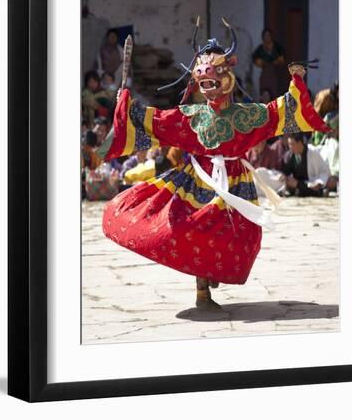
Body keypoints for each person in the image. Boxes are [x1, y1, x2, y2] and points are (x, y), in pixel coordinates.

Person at [98, 19, 330, 310]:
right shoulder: (191, 116)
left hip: (236, 184)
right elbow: (155, 122)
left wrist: (297, 81)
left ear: (227, 77)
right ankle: (202, 291)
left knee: (241, 237)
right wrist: (126, 106)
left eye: (214, 75)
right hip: (198, 180)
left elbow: (281, 112)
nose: (208, 84)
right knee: (194, 228)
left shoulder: (247, 116)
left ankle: (211, 274)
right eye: (203, 78)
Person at [252, 28, 286, 98]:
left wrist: (278, 61)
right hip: (265, 74)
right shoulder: (261, 48)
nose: (267, 37)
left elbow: (282, 58)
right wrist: (260, 62)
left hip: (276, 75)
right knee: (264, 94)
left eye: (268, 35)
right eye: (265, 36)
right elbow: (254, 58)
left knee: (275, 94)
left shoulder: (278, 47)